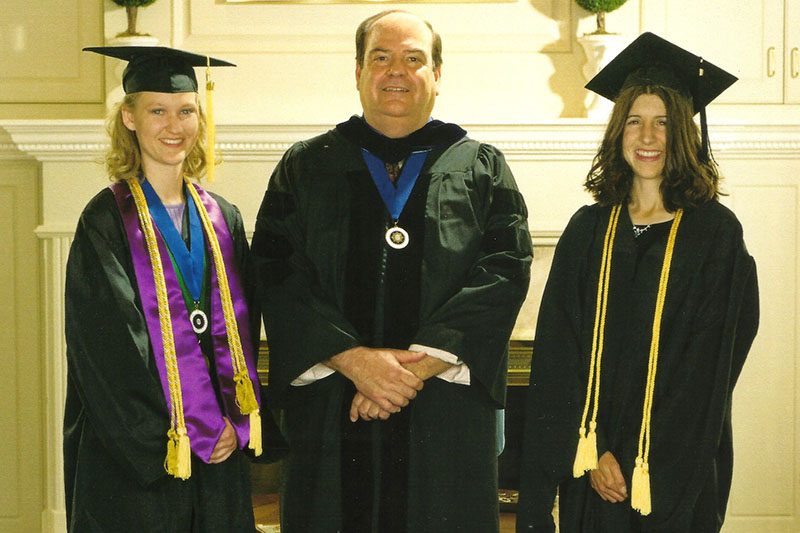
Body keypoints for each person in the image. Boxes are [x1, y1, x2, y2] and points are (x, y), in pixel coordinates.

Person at [251, 10, 532, 533]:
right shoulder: (307, 165)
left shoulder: (481, 167)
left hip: (442, 411)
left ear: (438, 74)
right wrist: (355, 361)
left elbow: (505, 271)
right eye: (381, 57)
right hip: (334, 407)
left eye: (413, 58)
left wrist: (407, 372)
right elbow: (277, 272)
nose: (396, 70)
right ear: (358, 71)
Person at [516, 33, 759, 532]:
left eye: (663, 123)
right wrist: (597, 446)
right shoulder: (587, 231)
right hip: (590, 461)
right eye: (634, 121)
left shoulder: (714, 235)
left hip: (673, 467)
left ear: (684, 135)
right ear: (617, 132)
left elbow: (708, 368)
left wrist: (634, 453)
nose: (648, 137)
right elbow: (559, 356)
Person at [64, 46, 284, 532]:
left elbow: (243, 334)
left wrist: (234, 421)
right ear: (129, 117)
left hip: (219, 444)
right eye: (156, 110)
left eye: (186, 111)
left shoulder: (223, 217)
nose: (173, 125)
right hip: (144, 448)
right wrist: (182, 429)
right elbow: (107, 349)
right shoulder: (104, 221)